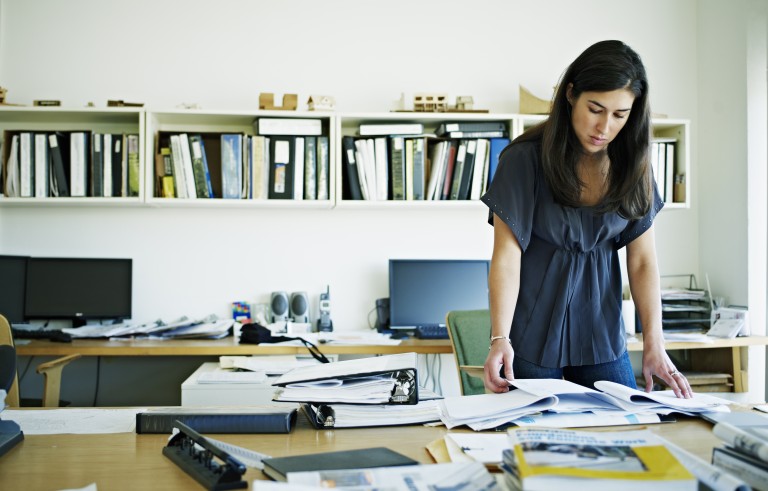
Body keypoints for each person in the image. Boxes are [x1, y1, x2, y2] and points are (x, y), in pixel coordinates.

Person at [480, 40, 692, 398]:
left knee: (625, 433)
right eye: (595, 109)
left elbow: (641, 261)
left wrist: (655, 343)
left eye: (619, 115)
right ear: (571, 94)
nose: (604, 126)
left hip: (601, 334)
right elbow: (506, 256)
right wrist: (500, 337)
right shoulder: (522, 160)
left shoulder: (634, 166)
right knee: (531, 441)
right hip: (532, 336)